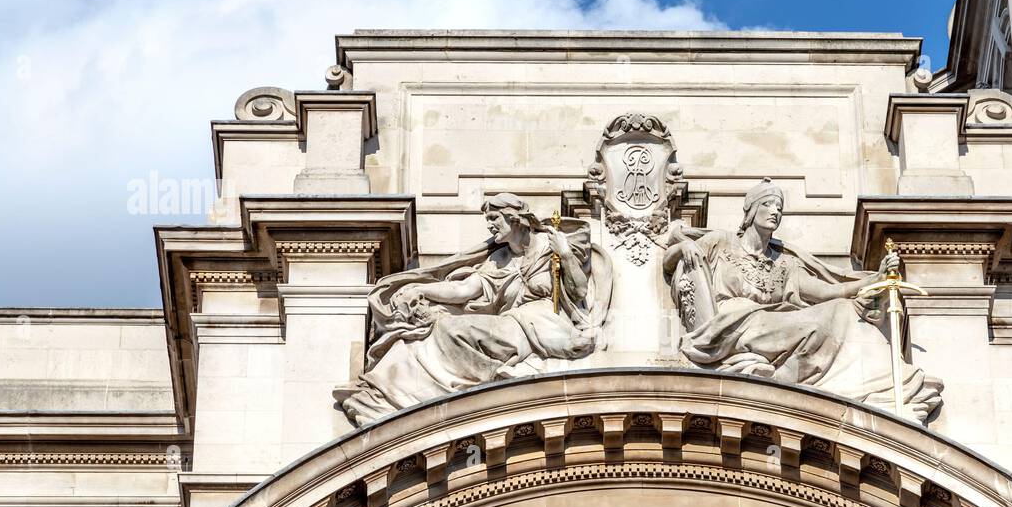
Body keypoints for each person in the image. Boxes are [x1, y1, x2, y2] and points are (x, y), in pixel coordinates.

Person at [663, 178, 942, 421]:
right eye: (768, 205)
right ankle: (781, 382)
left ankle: (797, 382)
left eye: (779, 208)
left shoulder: (784, 262)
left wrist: (875, 279)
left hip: (769, 321)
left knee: (840, 312)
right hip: (733, 323)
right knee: (818, 323)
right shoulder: (721, 242)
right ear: (750, 211)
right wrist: (685, 246)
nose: (775, 212)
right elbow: (669, 255)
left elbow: (827, 291)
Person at [336, 192, 608, 426]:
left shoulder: (550, 245)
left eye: (494, 219)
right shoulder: (499, 260)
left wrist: (568, 254)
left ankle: (492, 376)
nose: (490, 226)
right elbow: (462, 290)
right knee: (438, 328)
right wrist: (420, 289)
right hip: (512, 323)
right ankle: (402, 389)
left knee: (451, 329)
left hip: (541, 324)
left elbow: (579, 291)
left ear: (513, 218)